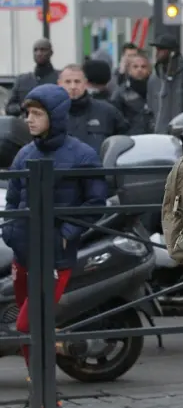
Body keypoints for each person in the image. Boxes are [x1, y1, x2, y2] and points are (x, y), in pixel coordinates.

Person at [2, 84, 107, 407]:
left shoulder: (83, 155)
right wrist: (13, 235)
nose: (29, 120)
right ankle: (43, 392)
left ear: (55, 116)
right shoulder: (25, 153)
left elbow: (95, 203)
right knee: (31, 330)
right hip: (24, 256)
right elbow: (14, 202)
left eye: (36, 114)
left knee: (27, 324)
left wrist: (65, 232)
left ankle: (55, 362)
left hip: (57, 258)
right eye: (28, 114)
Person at [58, 64, 130, 154]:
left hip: (99, 166)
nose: (73, 86)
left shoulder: (107, 111)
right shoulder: (52, 114)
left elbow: (126, 140)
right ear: (59, 84)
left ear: (85, 83)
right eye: (68, 82)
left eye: (77, 81)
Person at [5, 39, 60, 116]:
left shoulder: (60, 78)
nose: (39, 53)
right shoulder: (22, 80)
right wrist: (22, 106)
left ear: (51, 53)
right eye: (35, 50)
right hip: (27, 125)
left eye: (43, 50)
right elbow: (9, 108)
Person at [110, 52, 155, 135]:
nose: (139, 69)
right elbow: (114, 119)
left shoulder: (157, 90)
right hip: (131, 139)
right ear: (129, 70)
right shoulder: (120, 93)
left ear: (149, 70)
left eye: (143, 67)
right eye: (135, 67)